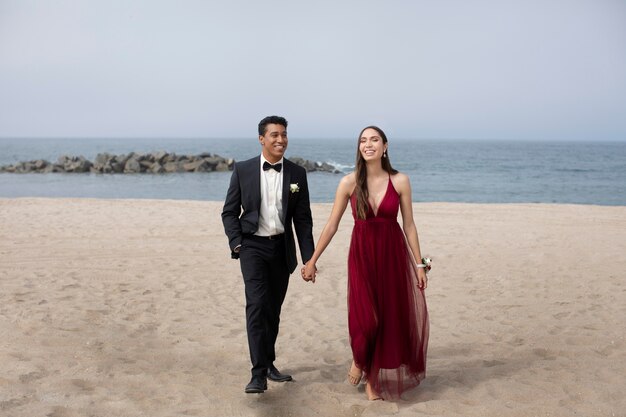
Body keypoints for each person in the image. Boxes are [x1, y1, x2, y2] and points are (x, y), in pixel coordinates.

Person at [301, 126, 429, 401]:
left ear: (385, 146)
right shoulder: (348, 182)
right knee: (366, 319)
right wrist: (312, 260)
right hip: (362, 255)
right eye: (363, 140)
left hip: (393, 255)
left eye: (374, 140)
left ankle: (373, 381)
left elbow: (409, 224)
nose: (368, 144)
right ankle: (360, 359)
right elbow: (332, 224)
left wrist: (420, 264)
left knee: (388, 317)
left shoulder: (401, 181)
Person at [222, 115, 315, 394]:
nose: (280, 140)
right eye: (274, 135)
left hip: (281, 249)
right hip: (252, 248)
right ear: (262, 139)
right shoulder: (243, 170)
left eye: (284, 134)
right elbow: (229, 211)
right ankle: (258, 374)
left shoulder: (297, 174)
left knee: (273, 310)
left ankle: (270, 363)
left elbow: (303, 220)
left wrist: (309, 258)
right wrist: (237, 243)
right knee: (257, 307)